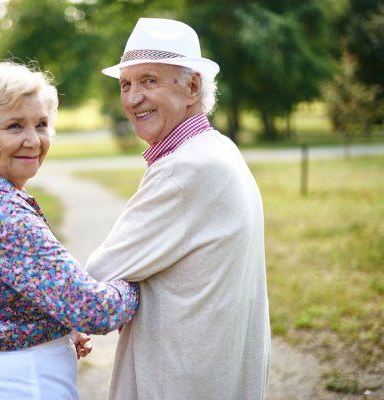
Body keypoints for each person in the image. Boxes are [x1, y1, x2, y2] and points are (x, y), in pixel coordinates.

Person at [0, 62, 139, 400]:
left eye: (41, 124)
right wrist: (143, 282)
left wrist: (59, 323)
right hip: (15, 383)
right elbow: (96, 310)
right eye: (14, 126)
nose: (33, 140)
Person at [86, 18, 271, 400]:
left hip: (180, 381)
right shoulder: (218, 148)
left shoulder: (186, 169)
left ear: (191, 87)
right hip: (214, 374)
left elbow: (99, 276)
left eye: (149, 80)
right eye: (126, 84)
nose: (132, 97)